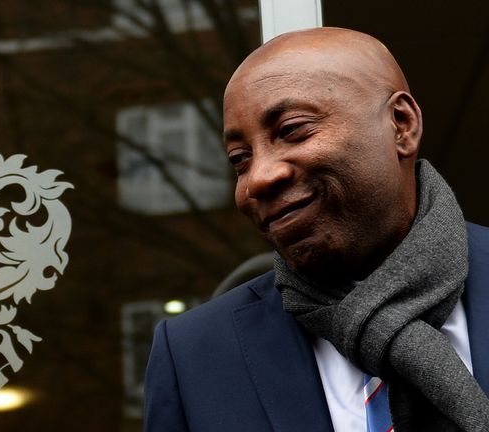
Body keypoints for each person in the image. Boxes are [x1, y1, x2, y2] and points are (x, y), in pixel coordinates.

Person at [143, 27, 489, 432]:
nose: (257, 179)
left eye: (292, 130)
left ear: (401, 124)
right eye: (240, 159)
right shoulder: (195, 357)